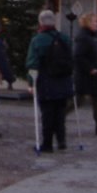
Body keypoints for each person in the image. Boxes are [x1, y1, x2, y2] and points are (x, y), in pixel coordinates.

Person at [25, 10, 74, 152]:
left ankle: (47, 144)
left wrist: (31, 83)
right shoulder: (65, 38)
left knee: (47, 113)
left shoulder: (37, 40)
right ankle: (61, 140)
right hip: (63, 81)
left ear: (40, 22)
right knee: (60, 112)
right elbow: (71, 59)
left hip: (46, 82)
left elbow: (32, 64)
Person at [73, 12, 97, 135]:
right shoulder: (84, 37)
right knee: (78, 101)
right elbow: (78, 56)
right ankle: (57, 119)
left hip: (91, 76)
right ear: (89, 23)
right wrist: (90, 68)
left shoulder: (89, 36)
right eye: (95, 22)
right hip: (85, 76)